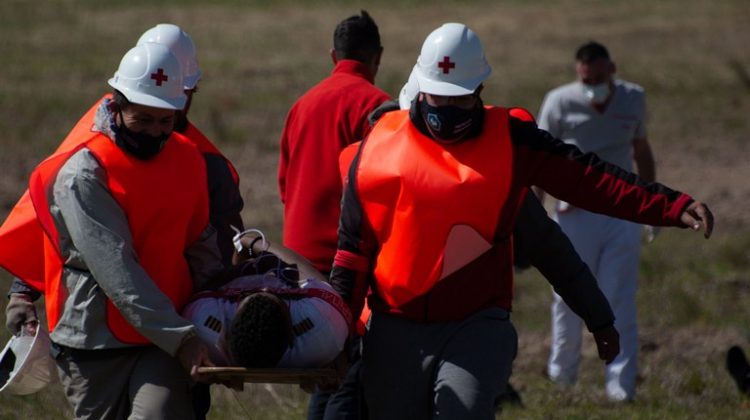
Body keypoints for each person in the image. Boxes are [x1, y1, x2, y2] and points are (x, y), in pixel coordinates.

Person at [329, 23, 713, 420]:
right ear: (420, 91)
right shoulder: (376, 151)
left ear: (479, 91)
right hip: (395, 327)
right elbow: (352, 256)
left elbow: (586, 183)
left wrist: (667, 205)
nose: (445, 111)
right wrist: (335, 341)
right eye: (437, 98)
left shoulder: (511, 144)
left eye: (457, 100)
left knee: (463, 411)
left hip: (475, 325)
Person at [0, 42, 222, 419]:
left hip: (164, 339)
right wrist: (181, 336)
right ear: (117, 106)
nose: (154, 132)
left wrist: (220, 313)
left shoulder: (187, 157)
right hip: (95, 342)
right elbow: (116, 268)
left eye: (165, 120)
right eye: (142, 119)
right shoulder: (84, 172)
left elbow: (200, 243)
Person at [276, 10, 389, 419]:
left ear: (332, 55)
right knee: (351, 372)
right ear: (377, 58)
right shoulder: (378, 108)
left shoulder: (301, 104)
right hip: (346, 261)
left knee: (327, 369)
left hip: (297, 260)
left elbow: (285, 184)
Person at [537, 41, 655, 402]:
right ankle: (562, 376)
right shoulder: (559, 102)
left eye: (599, 77)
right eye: (586, 78)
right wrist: (534, 217)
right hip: (574, 216)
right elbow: (540, 161)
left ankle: (620, 385)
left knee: (619, 297)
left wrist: (652, 208)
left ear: (612, 70)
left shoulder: (633, 99)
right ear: (578, 73)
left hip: (621, 214)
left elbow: (642, 152)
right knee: (567, 298)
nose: (593, 86)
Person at [183, 231, 350, 370]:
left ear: (225, 338)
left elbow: (207, 286)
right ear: (292, 336)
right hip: (311, 318)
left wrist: (243, 261)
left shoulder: (203, 324)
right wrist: (252, 242)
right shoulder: (322, 329)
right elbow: (303, 271)